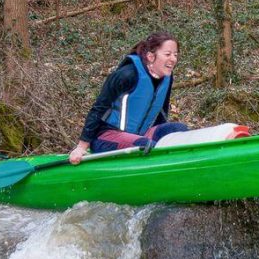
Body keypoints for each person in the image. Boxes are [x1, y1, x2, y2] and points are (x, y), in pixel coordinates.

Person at [69, 31, 188, 164]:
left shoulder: (167, 77)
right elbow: (98, 108)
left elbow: (162, 112)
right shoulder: (127, 75)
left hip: (141, 134)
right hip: (107, 137)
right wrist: (81, 147)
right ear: (150, 56)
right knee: (147, 145)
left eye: (175, 55)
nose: (173, 59)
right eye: (167, 54)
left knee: (179, 130)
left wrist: (164, 138)